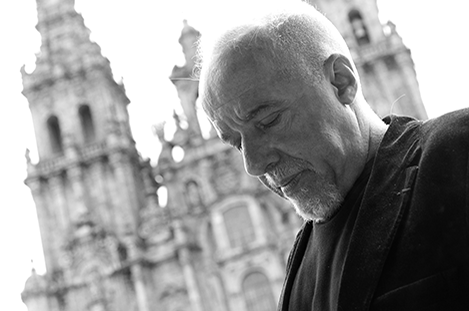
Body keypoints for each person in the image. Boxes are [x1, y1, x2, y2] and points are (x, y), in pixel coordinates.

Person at [196, 1, 469, 310]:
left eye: (269, 121)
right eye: (236, 143)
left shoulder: (459, 154)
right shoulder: (299, 279)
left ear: (341, 81)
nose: (254, 165)